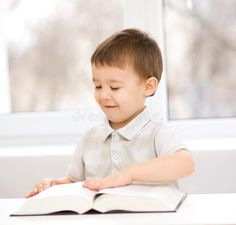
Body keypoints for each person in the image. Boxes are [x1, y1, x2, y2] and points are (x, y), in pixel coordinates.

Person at [26, 28, 195, 198]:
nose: (103, 95)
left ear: (148, 86)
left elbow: (186, 163)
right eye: (98, 86)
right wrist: (54, 185)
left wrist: (129, 174)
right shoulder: (90, 138)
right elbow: (75, 183)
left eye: (114, 87)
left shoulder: (157, 133)